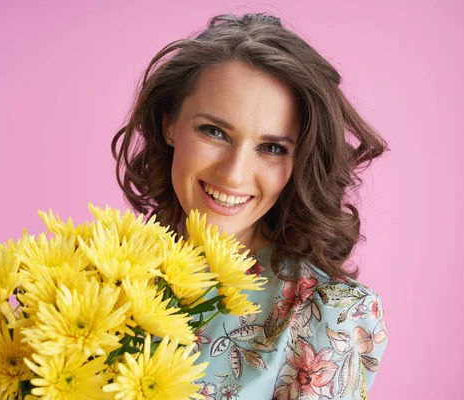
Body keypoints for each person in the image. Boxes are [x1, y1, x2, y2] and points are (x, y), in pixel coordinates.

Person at [112, 12, 388, 400]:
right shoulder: (96, 276)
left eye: (272, 148)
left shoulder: (326, 318)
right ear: (168, 123)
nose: (234, 174)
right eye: (214, 132)